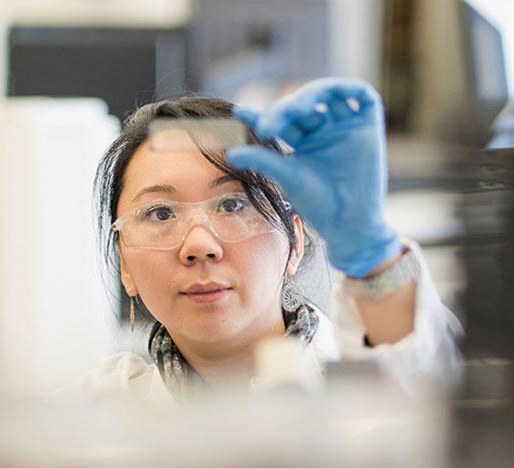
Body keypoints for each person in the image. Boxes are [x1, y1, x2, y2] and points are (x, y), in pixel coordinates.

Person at [55, 78, 462, 404]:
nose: (199, 245)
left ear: (294, 241)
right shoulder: (94, 413)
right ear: (125, 265)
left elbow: (429, 396)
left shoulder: (367, 386)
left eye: (233, 205)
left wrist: (370, 250)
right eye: (161, 213)